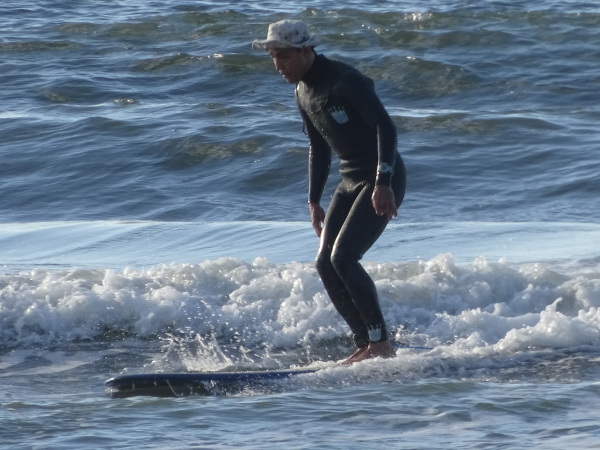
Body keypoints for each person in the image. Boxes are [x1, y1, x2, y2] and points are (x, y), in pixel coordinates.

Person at [252, 20, 406, 364]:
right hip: (350, 181)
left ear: (306, 51)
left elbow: (386, 126)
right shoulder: (301, 91)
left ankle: (381, 343)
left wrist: (383, 181)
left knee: (344, 257)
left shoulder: (345, 80)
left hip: (381, 178)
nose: (279, 66)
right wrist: (313, 200)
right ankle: (366, 343)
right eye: (274, 57)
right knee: (325, 262)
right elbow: (318, 148)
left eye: (284, 57)